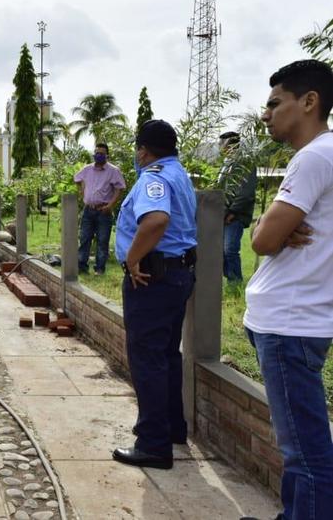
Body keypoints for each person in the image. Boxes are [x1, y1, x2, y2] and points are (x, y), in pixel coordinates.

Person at [243, 59, 333, 520]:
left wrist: (269, 225)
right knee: (297, 443)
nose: (266, 114)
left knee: (306, 451)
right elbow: (271, 233)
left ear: (309, 102)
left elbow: (262, 241)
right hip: (296, 319)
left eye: (275, 103)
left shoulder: (315, 155)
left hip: (291, 322)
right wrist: (273, 223)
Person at [111, 119, 197, 470]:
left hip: (151, 278)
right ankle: (172, 428)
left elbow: (156, 220)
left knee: (147, 359)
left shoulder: (154, 177)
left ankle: (153, 444)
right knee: (166, 356)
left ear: (143, 150)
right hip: (177, 275)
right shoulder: (181, 174)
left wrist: (132, 259)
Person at [74, 143, 126, 274]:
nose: (99, 155)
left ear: (107, 155)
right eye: (97, 153)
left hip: (104, 210)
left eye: (102, 153)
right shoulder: (87, 169)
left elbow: (120, 188)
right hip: (88, 210)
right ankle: (81, 267)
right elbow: (76, 179)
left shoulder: (113, 171)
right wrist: (82, 191)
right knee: (84, 238)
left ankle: (100, 268)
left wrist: (111, 205)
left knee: (103, 241)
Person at [218, 131, 257, 283]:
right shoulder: (226, 163)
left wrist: (232, 211)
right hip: (222, 214)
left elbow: (246, 192)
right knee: (222, 251)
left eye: (222, 143)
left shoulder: (245, 163)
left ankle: (235, 282)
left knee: (230, 250)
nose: (220, 147)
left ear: (230, 145)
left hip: (234, 215)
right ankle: (229, 280)